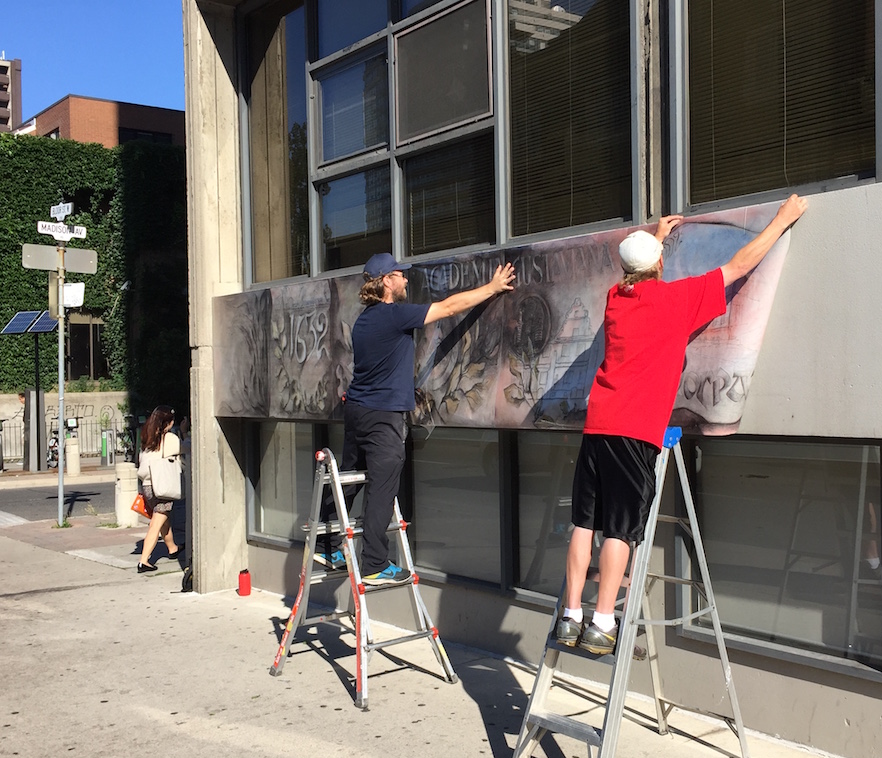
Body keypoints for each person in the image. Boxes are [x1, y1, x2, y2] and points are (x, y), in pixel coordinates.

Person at [558, 195, 809, 654]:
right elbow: (739, 265)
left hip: (598, 427)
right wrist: (781, 221)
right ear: (658, 267)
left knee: (583, 525)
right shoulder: (677, 301)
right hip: (636, 433)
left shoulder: (617, 300)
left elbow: (633, 272)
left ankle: (570, 615)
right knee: (618, 531)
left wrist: (652, 239)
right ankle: (602, 621)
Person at [330, 252, 516, 584]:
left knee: (351, 476)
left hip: (357, 410)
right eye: (400, 275)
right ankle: (374, 563)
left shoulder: (364, 321)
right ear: (386, 281)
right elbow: (448, 308)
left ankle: (327, 544)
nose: (405, 279)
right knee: (382, 486)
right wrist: (492, 287)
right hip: (382, 415)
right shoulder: (392, 315)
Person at [136, 405, 183, 573]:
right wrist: (183, 432)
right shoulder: (169, 439)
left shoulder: (147, 439)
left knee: (163, 518)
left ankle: (172, 548)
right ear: (168, 423)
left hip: (148, 486)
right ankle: (144, 561)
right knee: (156, 523)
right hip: (162, 486)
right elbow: (183, 450)